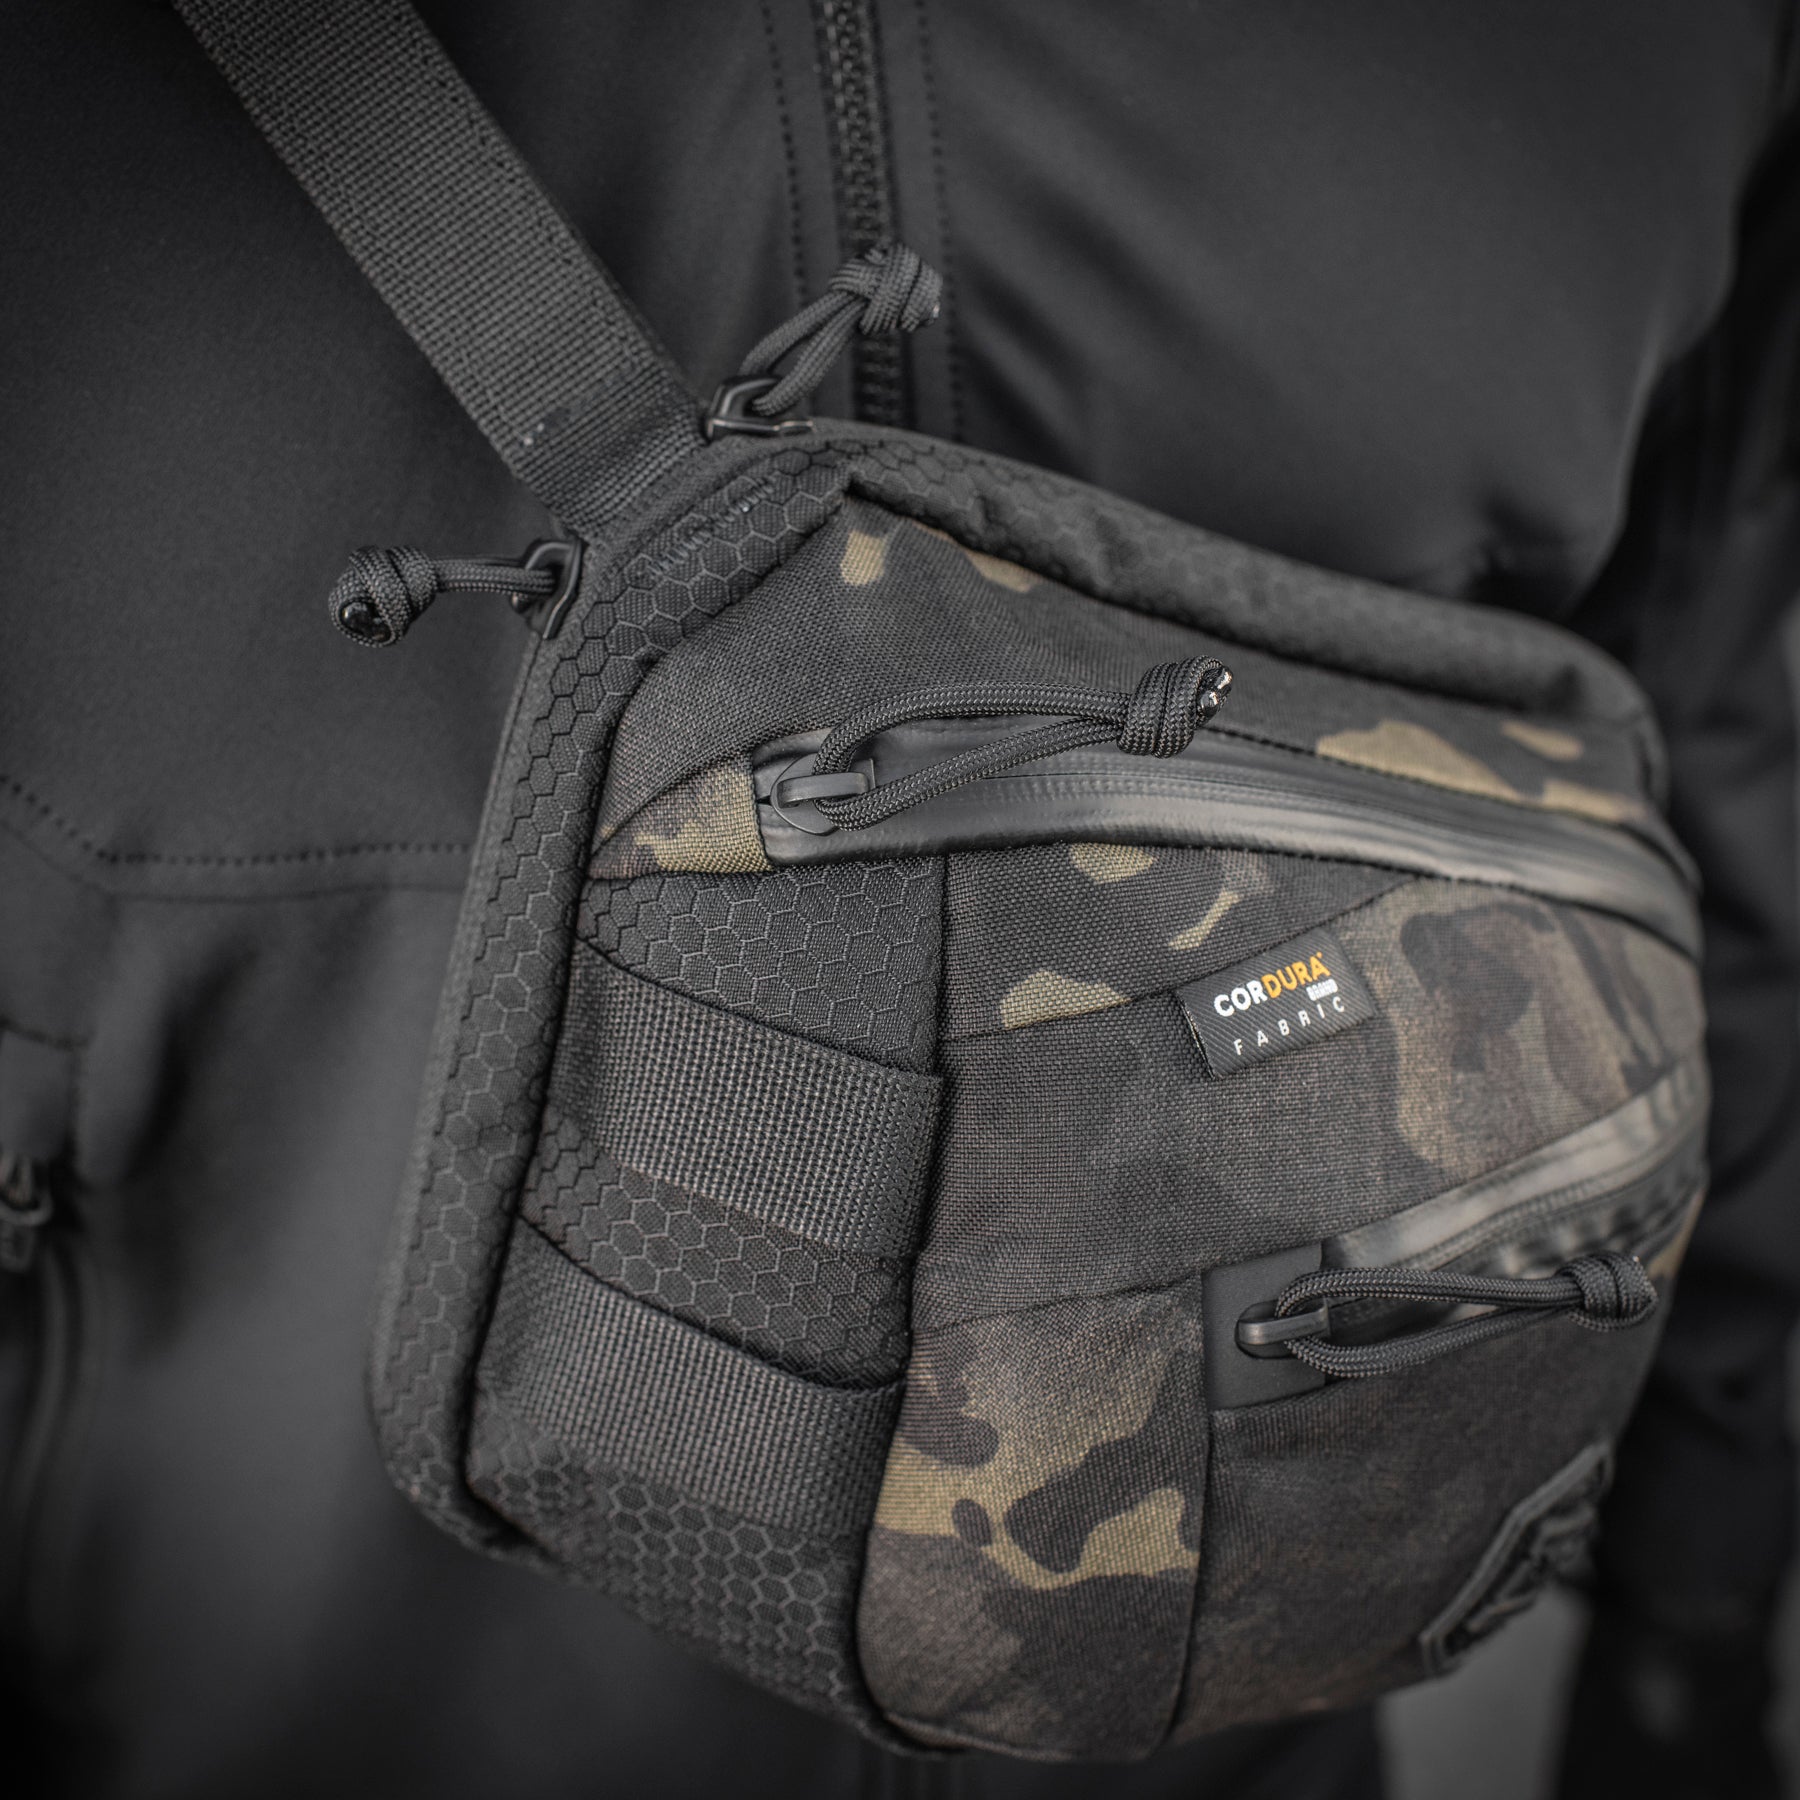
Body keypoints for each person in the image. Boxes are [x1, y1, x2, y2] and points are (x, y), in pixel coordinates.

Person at [3, 3, 1796, 1795]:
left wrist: (1697, 1621)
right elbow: (1721, 807)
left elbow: (1706, 806)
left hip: (1175, 1648)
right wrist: (1693, 1637)